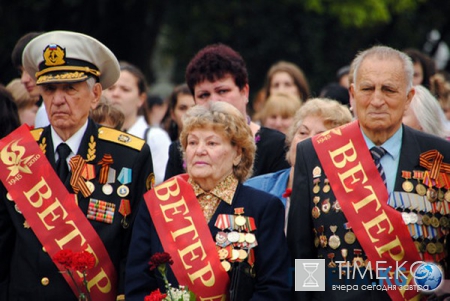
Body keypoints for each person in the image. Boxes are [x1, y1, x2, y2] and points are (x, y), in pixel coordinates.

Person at [0, 30, 154, 301]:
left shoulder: (130, 155)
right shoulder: (14, 155)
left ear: (95, 94)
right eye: (49, 89)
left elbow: (136, 252)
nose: (58, 99)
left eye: (70, 88)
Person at [287, 45, 450, 301]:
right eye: (367, 89)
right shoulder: (314, 152)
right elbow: (302, 251)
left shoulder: (441, 155)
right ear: (352, 94)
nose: (376, 100)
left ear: (408, 97)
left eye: (388, 90)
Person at [125, 101, 291, 301]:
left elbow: (273, 288)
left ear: (238, 153)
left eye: (211, 143)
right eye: (193, 142)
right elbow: (138, 283)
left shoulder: (263, 207)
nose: (199, 150)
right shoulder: (158, 203)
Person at [164, 43, 290, 180]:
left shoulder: (277, 146)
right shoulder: (180, 150)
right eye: (203, 95)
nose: (214, 101)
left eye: (222, 91)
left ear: (244, 92)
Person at [245, 98, 352, 231]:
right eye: (303, 133)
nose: (306, 142)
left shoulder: (348, 201)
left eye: (320, 137)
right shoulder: (254, 189)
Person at [103, 61, 171, 184]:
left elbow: (161, 184)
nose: (116, 94)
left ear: (141, 98)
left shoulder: (155, 138)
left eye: (125, 89)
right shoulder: (91, 133)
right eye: (111, 88)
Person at [10, 31, 48, 128]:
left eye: (29, 69)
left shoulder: (47, 112)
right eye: (21, 72)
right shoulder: (44, 111)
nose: (23, 80)